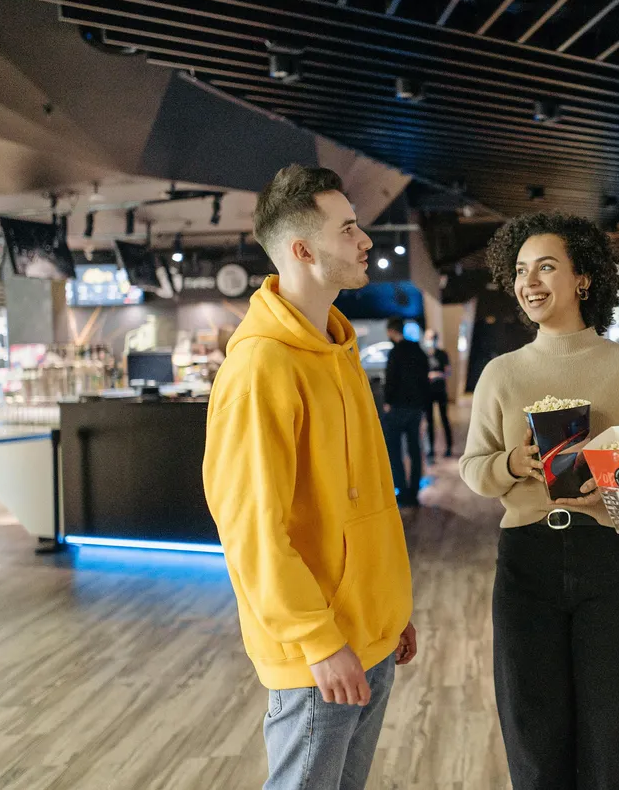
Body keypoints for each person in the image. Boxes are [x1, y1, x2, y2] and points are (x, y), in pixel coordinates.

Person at [203, 164, 417, 790]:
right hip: (319, 657)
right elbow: (250, 531)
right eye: (348, 228)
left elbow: (368, 494)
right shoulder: (259, 368)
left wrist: (388, 607)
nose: (365, 240)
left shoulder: (337, 349)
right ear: (302, 251)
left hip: (369, 639)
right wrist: (318, 642)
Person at [460, 212, 619, 790]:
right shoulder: (501, 375)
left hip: (608, 556)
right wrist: (513, 463)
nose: (530, 281)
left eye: (547, 267)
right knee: (532, 731)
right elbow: (473, 470)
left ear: (583, 279)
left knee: (616, 727)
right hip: (525, 558)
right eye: (521, 270)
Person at [383, 316, 429, 507]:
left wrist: (387, 401)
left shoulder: (395, 353)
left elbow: (391, 379)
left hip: (398, 407)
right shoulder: (418, 351)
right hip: (416, 408)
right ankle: (415, 491)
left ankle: (401, 490)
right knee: (414, 449)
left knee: (394, 450)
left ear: (391, 331)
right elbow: (424, 380)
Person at [423, 330, 455, 460]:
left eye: (432, 338)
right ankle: (431, 449)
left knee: (444, 419)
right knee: (429, 421)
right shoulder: (424, 355)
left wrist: (437, 375)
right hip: (428, 392)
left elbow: (448, 372)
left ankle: (449, 447)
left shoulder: (442, 354)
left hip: (440, 391)